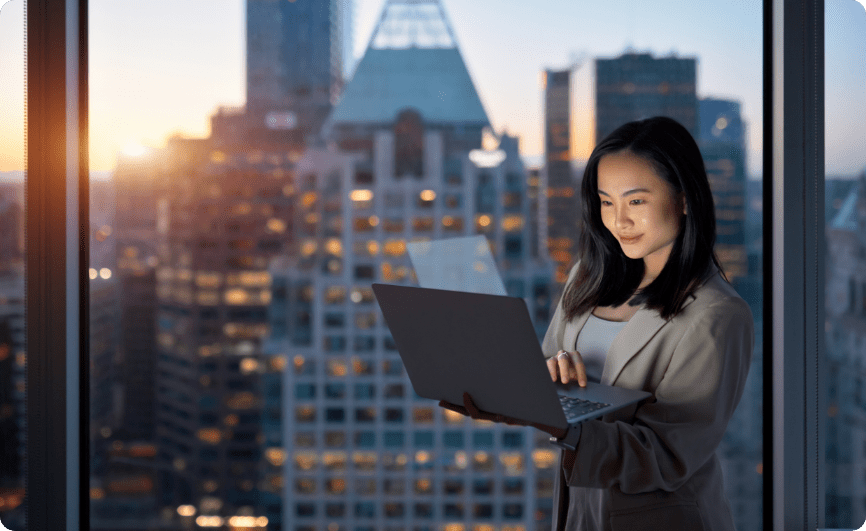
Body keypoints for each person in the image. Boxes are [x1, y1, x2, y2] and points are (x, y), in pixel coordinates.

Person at [442, 116, 754, 531]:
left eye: (636, 201)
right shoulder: (586, 279)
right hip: (579, 511)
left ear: (683, 198)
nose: (618, 220)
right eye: (607, 201)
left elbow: (666, 456)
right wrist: (526, 392)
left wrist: (556, 418)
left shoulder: (716, 314)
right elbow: (548, 374)